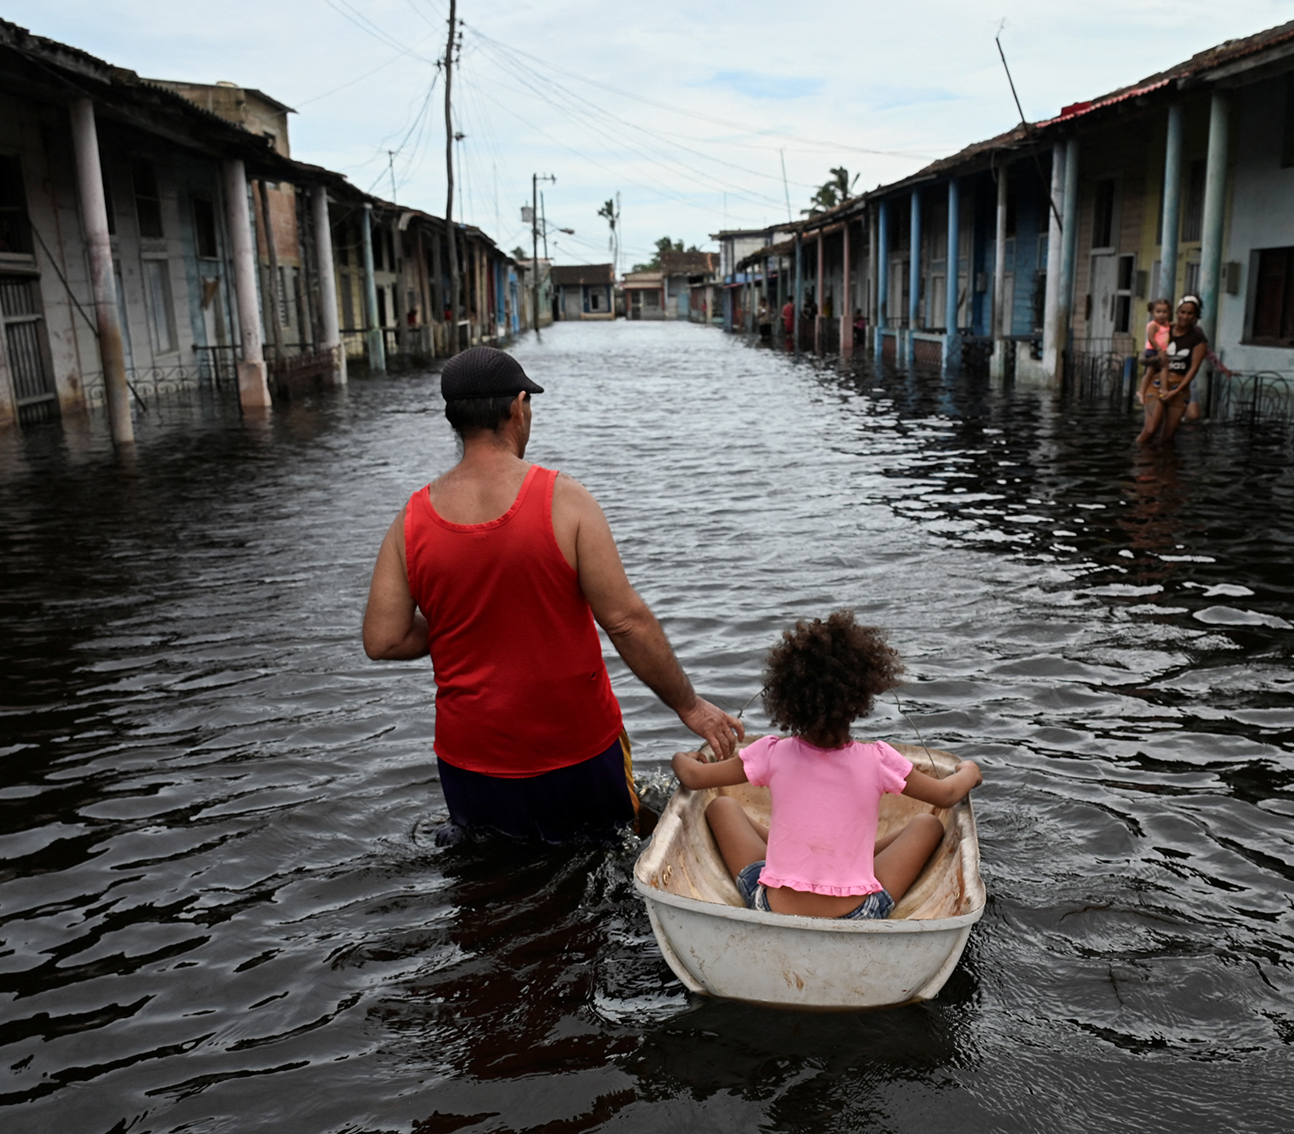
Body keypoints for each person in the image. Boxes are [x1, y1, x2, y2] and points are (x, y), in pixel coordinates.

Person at [362, 346, 744, 842]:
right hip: (576, 750)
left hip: (471, 757)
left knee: (491, 875)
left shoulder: (411, 520)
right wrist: (689, 705)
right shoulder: (564, 500)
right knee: (605, 858)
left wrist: (467, 618)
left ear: (454, 418)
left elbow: (384, 639)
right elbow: (625, 621)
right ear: (518, 407)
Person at [670, 612, 983, 920]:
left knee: (721, 806)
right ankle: (847, 856)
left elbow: (692, 776)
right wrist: (969, 771)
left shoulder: (771, 753)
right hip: (859, 914)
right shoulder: (878, 760)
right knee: (928, 824)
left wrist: (682, 758)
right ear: (861, 697)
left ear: (786, 696)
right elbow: (946, 795)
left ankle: (810, 852)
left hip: (772, 909)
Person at [1135, 295, 1206, 445]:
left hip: (1179, 387)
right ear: (1177, 312)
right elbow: (1144, 356)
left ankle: (1163, 460)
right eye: (1182, 312)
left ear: (1196, 316)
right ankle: (1137, 457)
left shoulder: (1197, 337)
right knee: (1150, 429)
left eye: (1190, 313)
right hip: (1157, 383)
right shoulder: (1165, 329)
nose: (1185, 316)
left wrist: (1176, 390)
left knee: (1168, 436)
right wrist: (1156, 359)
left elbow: (1194, 369)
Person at [1136, 297, 1173, 407]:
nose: (1161, 315)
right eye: (1158, 312)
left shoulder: (1166, 324)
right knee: (1163, 367)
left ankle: (1145, 391)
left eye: (1164, 312)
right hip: (1153, 350)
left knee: (1154, 370)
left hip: (1161, 350)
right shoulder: (1153, 325)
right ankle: (1162, 389)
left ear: (1169, 313)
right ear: (1152, 313)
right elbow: (1151, 338)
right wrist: (1159, 349)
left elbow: (1171, 326)